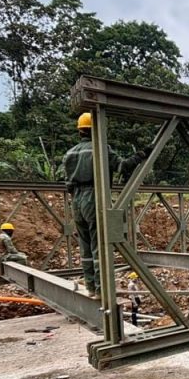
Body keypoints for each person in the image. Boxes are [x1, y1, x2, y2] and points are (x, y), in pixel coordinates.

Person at [63, 111, 118, 296]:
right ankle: (103, 291)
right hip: (94, 196)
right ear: (96, 130)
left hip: (76, 200)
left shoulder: (69, 154)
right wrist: (142, 155)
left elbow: (68, 184)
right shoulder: (101, 149)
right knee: (99, 245)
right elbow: (122, 166)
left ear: (80, 131)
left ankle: (91, 287)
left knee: (85, 245)